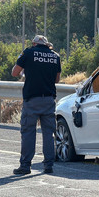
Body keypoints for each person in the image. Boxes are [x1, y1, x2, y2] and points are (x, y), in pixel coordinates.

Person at [11, 35, 61, 175]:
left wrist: (26, 72)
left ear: (34, 43)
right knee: (48, 133)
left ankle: (25, 166)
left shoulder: (28, 52)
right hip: (49, 100)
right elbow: (57, 79)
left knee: (28, 132)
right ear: (47, 45)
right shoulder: (55, 56)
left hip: (32, 99)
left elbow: (15, 72)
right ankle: (49, 166)